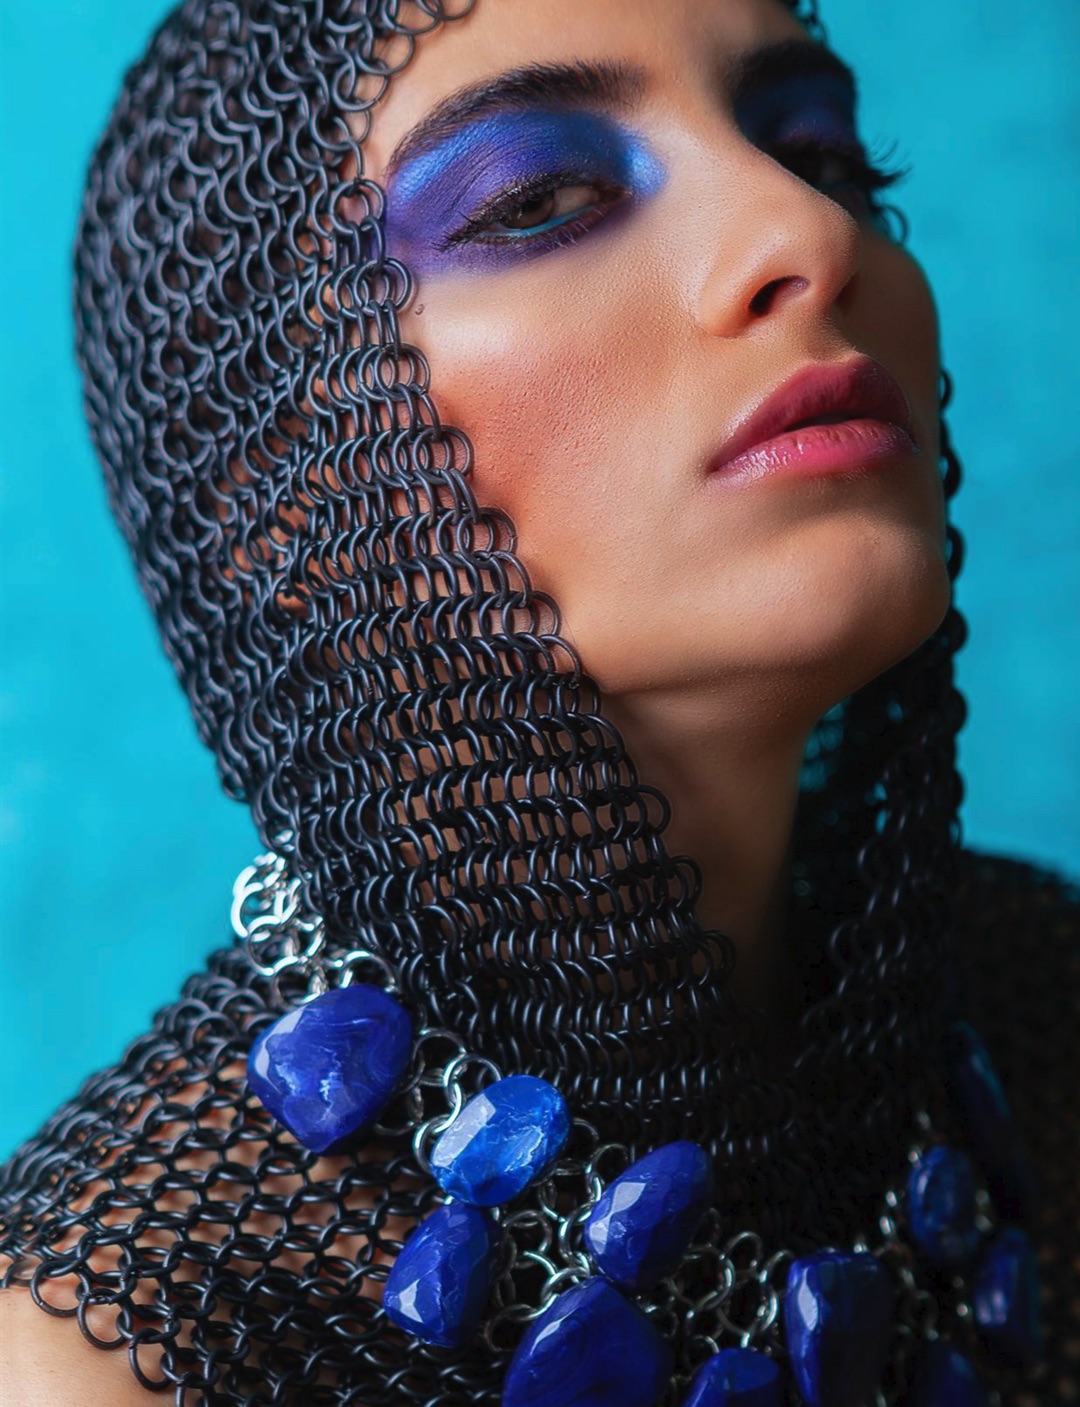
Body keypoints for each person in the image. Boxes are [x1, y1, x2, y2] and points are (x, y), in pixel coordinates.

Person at [1, 0, 1076, 1403]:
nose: (807, 234)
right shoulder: (120, 1347)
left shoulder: (1043, 999)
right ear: (279, 490)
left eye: (822, 154)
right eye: (535, 200)